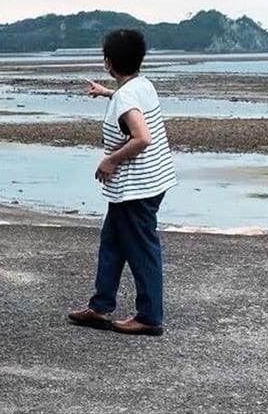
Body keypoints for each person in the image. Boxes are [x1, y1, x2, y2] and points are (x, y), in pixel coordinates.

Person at [67, 28, 176, 337]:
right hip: (148, 182)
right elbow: (129, 101)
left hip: (136, 189)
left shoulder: (126, 96)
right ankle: (100, 306)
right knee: (112, 244)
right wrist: (107, 93)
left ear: (108, 62)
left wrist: (110, 160)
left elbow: (142, 137)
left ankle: (150, 317)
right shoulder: (141, 85)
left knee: (142, 250)